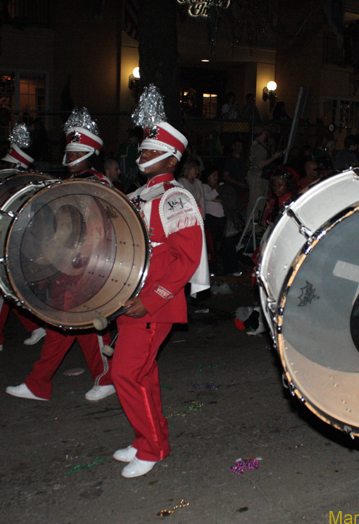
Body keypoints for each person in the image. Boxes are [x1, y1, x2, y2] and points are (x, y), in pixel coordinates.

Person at [111, 85, 208, 478]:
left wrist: (150, 301)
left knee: (125, 374)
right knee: (143, 374)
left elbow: (186, 259)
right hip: (129, 298)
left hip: (153, 305)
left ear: (171, 158)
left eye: (151, 152)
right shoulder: (137, 195)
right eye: (143, 150)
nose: (142, 156)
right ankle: (148, 440)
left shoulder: (175, 198)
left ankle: (153, 448)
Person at [6, 108, 115, 403]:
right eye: (70, 152)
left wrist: (78, 262)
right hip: (68, 266)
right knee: (70, 325)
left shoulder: (97, 183)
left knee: (75, 323)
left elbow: (97, 231)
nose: (72, 158)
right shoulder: (71, 182)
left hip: (87, 267)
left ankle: (47, 382)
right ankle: (47, 382)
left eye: (78, 153)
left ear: (90, 154)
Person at [0, 123, 46, 355]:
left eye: (9, 164)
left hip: (20, 248)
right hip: (7, 246)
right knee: (7, 290)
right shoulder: (11, 187)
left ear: (17, 166)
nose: (4, 167)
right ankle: (35, 327)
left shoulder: (28, 188)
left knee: (1, 291)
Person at [246, 124, 285, 222]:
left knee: (260, 203)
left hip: (261, 177)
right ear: (264, 132)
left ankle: (255, 225)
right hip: (257, 178)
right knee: (256, 203)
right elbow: (260, 164)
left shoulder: (260, 145)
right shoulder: (258, 147)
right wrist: (274, 158)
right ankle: (252, 227)